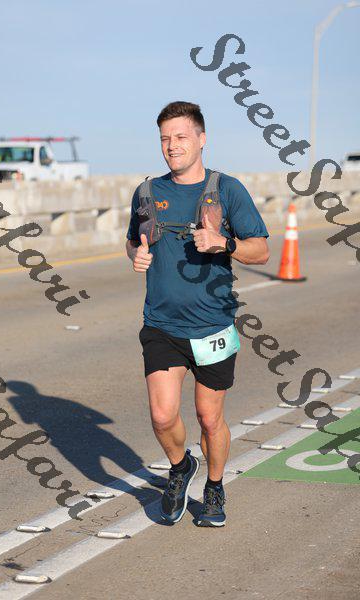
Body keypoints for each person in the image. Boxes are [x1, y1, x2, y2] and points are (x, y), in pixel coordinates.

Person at [125, 101, 269, 527]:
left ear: (202, 139)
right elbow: (133, 240)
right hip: (162, 325)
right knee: (162, 415)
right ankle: (180, 467)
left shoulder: (228, 189)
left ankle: (215, 485)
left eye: (181, 137)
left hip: (212, 327)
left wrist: (224, 243)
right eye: (165, 139)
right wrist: (135, 255)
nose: (172, 146)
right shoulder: (147, 192)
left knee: (209, 418)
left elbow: (261, 250)